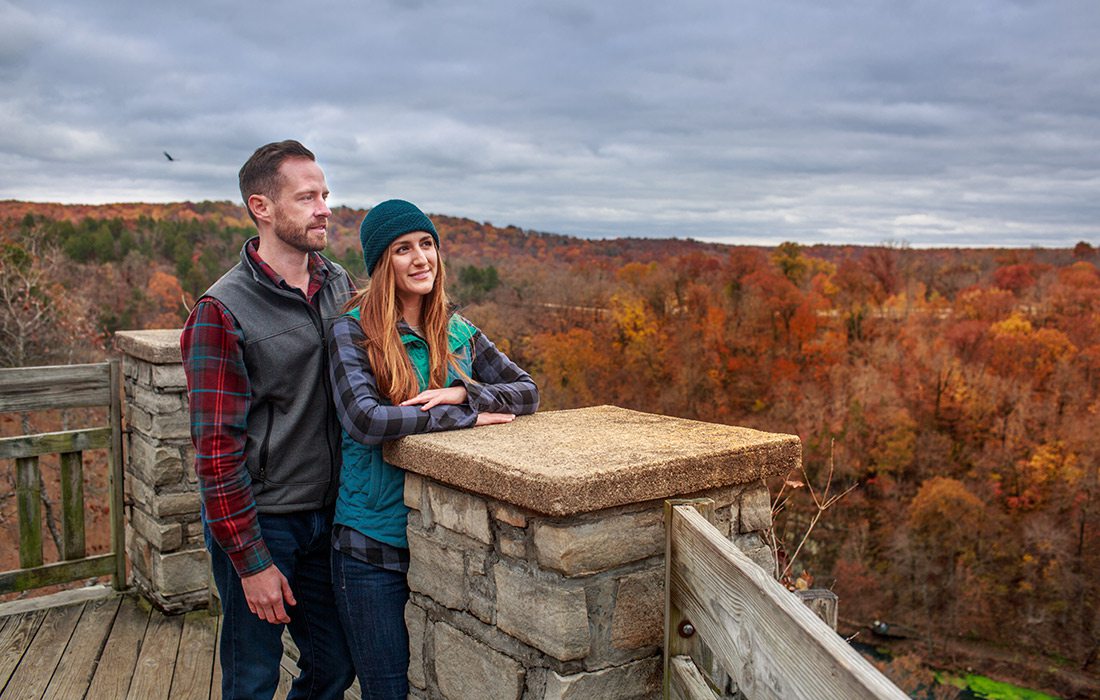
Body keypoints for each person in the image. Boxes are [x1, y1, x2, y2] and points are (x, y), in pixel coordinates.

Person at [328, 199, 540, 698]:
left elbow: (527, 391)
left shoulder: (456, 329)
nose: (421, 258)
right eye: (403, 249)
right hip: (371, 544)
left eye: (427, 245)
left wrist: (464, 391)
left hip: (447, 538)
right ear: (382, 264)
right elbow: (366, 419)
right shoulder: (352, 329)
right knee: (387, 691)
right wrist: (466, 415)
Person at [181, 140, 355, 699]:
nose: (324, 208)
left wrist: (460, 397)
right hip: (262, 522)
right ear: (262, 207)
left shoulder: (338, 284)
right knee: (253, 679)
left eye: (324, 195)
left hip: (328, 516)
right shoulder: (220, 311)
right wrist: (252, 563)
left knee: (334, 667)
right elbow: (215, 452)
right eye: (307, 197)